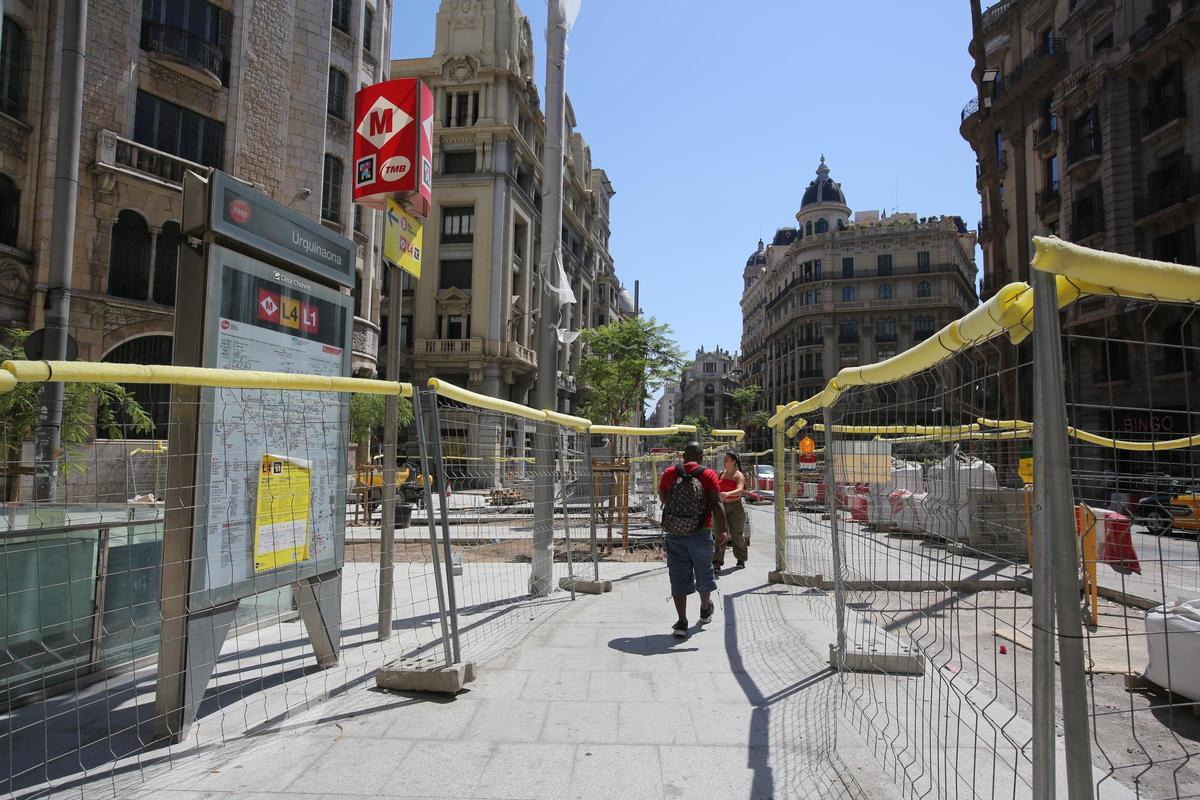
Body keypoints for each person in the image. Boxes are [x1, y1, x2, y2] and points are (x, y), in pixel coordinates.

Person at [658, 442, 727, 639]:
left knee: (678, 574)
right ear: (702, 457)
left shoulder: (670, 472)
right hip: (701, 531)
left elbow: (663, 496)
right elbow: (716, 501)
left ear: (683, 456)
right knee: (703, 571)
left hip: (675, 532)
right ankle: (705, 609)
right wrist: (722, 531)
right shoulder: (708, 474)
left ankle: (681, 622)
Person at [713, 451, 748, 571]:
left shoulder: (738, 475)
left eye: (727, 459)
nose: (724, 461)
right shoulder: (720, 474)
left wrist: (727, 494)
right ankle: (717, 562)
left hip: (735, 507)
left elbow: (740, 489)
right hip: (721, 507)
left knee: (736, 535)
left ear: (733, 462)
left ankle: (741, 558)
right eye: (724, 459)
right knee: (719, 534)